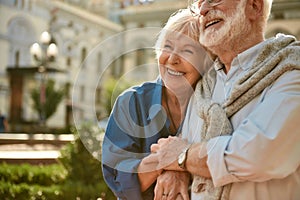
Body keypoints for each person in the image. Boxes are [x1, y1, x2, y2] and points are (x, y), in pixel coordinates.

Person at [145, 0, 300, 199]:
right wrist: (175, 170)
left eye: (214, 0)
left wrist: (182, 157)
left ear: (254, 6)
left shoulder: (291, 71)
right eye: (200, 2)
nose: (202, 9)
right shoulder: (201, 84)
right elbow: (176, 145)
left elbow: (257, 155)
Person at [101, 9, 212, 200]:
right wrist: (176, 161)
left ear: (206, 61)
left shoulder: (214, 104)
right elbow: (120, 181)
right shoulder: (131, 102)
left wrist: (177, 161)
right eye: (167, 47)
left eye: (187, 51)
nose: (172, 59)